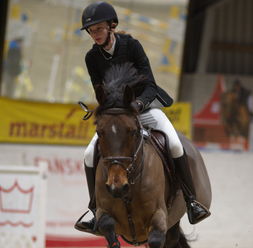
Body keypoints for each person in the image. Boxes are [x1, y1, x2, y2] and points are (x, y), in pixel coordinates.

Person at [75, 1, 210, 234]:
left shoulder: (132, 46)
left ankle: (191, 201)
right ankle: (93, 209)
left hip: (144, 107)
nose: (94, 34)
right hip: (118, 115)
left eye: (98, 29)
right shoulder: (91, 58)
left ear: (111, 26)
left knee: (175, 143)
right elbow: (101, 91)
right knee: (89, 153)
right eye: (91, 30)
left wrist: (138, 104)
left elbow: (150, 84)